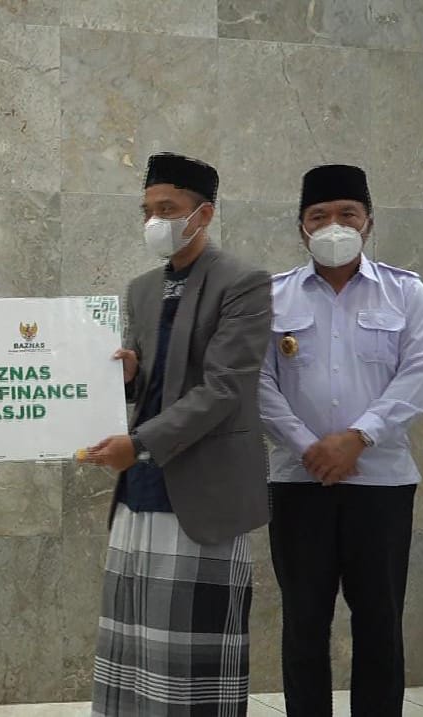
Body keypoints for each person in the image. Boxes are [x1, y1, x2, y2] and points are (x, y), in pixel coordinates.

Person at [84, 152, 273, 716]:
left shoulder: (243, 283)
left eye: (167, 208)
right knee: (135, 643)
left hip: (202, 492)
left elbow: (224, 390)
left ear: (204, 213)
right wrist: (128, 375)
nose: (154, 221)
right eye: (147, 209)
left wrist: (138, 443)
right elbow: (152, 378)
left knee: (191, 659)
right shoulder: (141, 289)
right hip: (140, 490)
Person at [259, 164, 423, 716]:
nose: (333, 225)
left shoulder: (405, 292)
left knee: (380, 622)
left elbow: (420, 372)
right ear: (301, 227)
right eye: (319, 216)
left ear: (367, 222)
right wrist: (307, 445)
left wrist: (357, 439)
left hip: (380, 482)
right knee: (304, 622)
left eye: (347, 215)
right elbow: (256, 381)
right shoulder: (271, 296)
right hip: (298, 480)